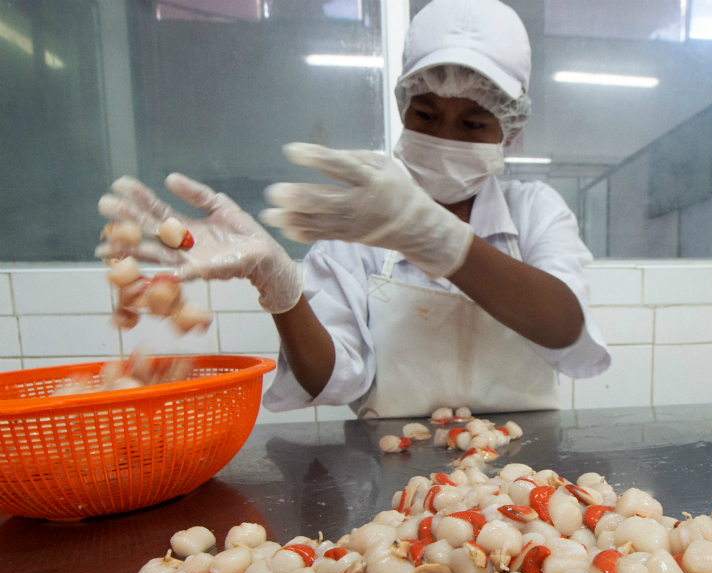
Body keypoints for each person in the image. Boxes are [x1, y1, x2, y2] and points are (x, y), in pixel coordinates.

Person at [95, 0, 610, 418]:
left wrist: (435, 238)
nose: (445, 136)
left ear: (510, 131)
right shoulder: (360, 219)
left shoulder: (534, 210)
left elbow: (566, 332)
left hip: (526, 474)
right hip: (397, 472)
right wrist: (280, 285)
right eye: (426, 115)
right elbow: (334, 379)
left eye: (473, 124)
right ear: (403, 110)